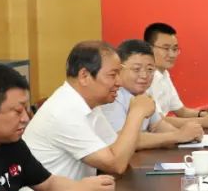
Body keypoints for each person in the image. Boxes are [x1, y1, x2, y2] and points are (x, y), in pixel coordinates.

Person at [23, 41, 154, 180]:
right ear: (84, 76)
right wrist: (136, 113)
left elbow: (116, 149)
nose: (119, 82)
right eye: (112, 75)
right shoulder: (65, 111)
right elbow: (116, 164)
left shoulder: (89, 105)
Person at [101, 39, 205, 149]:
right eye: (136, 69)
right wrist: (177, 136)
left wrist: (188, 134)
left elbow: (158, 125)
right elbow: (123, 141)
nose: (144, 75)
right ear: (119, 69)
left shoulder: (144, 94)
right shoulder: (111, 96)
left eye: (150, 69)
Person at [145, 22, 208, 125]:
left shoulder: (164, 74)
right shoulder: (145, 78)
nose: (172, 54)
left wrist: (205, 114)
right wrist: (203, 122)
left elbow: (181, 111)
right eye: (166, 48)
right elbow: (158, 120)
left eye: (175, 49)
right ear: (149, 48)